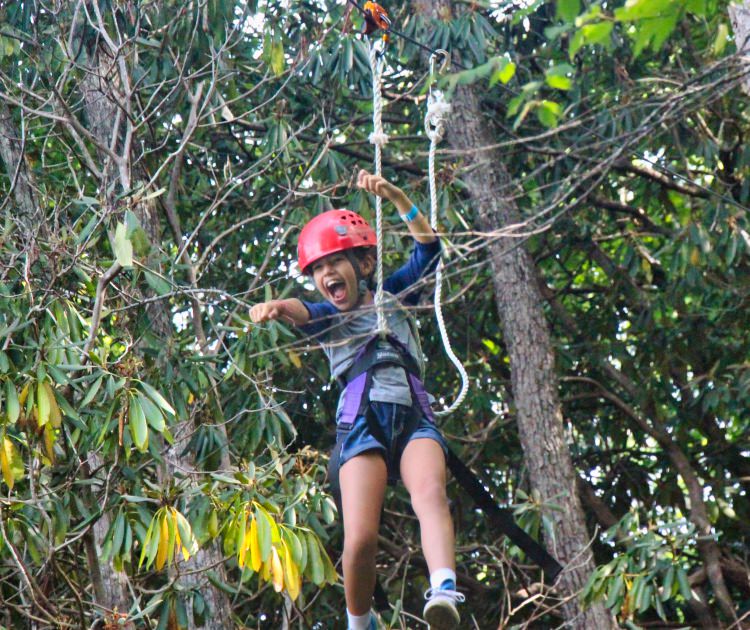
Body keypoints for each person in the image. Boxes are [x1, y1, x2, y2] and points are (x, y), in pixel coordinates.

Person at [250, 170, 464, 630]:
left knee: (431, 493)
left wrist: (396, 197)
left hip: (413, 419)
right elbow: (299, 310)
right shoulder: (329, 318)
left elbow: (429, 250)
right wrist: (275, 307)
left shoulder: (394, 294)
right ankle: (358, 621)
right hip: (362, 424)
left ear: (362, 265)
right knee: (361, 539)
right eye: (318, 271)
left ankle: (443, 589)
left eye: (335, 264)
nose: (327, 275)